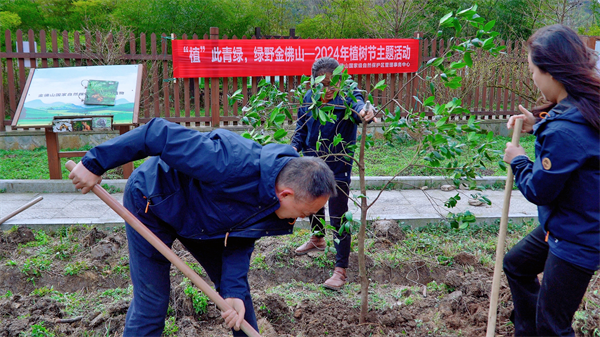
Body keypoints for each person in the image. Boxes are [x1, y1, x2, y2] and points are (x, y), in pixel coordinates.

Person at [68, 117, 337, 337]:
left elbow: (241, 237)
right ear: (286, 194)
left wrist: (231, 291)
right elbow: (156, 132)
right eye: (306, 213)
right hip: (152, 202)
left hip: (206, 221)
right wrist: (95, 163)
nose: (304, 219)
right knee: (152, 302)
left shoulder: (271, 199)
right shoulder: (226, 161)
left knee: (238, 299)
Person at [503, 24, 600, 336]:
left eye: (532, 70)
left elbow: (538, 190)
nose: (532, 78)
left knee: (553, 326)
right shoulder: (580, 105)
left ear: (551, 72)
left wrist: (518, 159)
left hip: (578, 237)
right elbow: (573, 140)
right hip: (567, 223)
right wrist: (538, 123)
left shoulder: (566, 129)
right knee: (517, 264)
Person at [290, 57, 375, 291]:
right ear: (313, 82)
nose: (326, 90)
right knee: (313, 203)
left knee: (338, 217)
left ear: (339, 81)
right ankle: (317, 239)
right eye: (320, 85)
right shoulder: (308, 99)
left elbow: (361, 107)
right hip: (313, 162)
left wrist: (366, 111)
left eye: (331, 84)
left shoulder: (348, 97)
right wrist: (292, 149)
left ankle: (340, 270)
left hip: (338, 166)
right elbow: (300, 131)